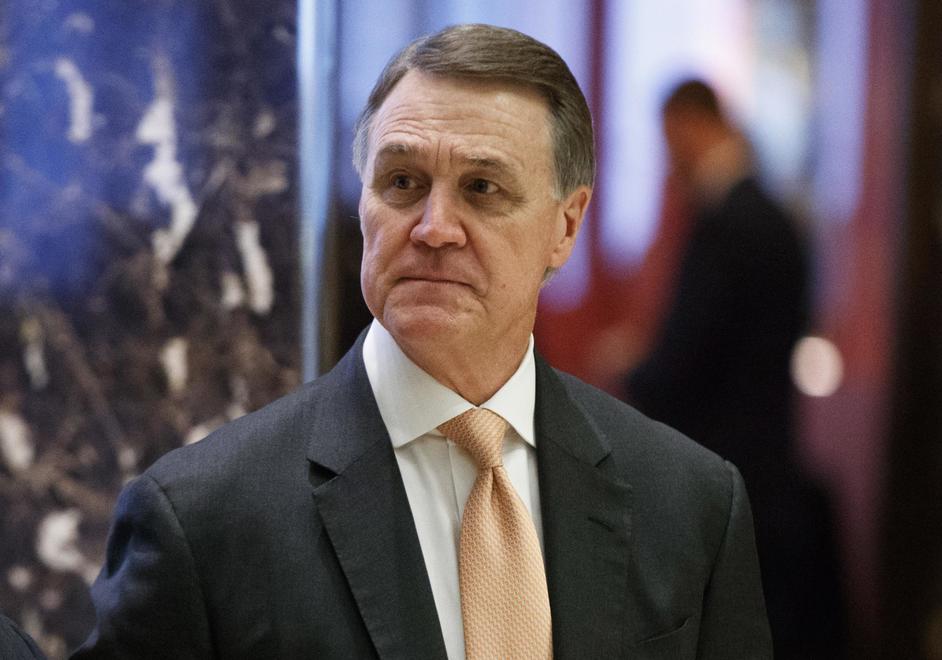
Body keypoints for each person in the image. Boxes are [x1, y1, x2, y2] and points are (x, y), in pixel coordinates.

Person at [73, 26, 771, 659]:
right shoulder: (204, 519)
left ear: (566, 225)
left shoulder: (691, 504)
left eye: (482, 187)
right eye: (403, 182)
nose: (434, 227)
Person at [626, 80, 845, 658]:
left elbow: (690, 356)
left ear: (692, 126)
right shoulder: (772, 214)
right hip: (766, 453)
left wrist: (629, 379)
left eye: (670, 138)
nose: (668, 156)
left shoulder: (731, 221)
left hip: (728, 455)